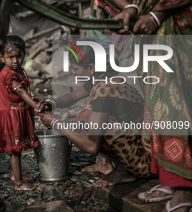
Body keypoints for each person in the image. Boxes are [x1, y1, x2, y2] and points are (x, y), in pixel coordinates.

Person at [88, 0, 192, 210]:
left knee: (178, 103)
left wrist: (156, 15)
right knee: (158, 106)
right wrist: (130, 8)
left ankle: (187, 186)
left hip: (175, 22)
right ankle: (171, 178)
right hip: (145, 32)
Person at [38, 45, 152, 188]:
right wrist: (52, 104)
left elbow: (92, 146)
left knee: (86, 119)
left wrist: (56, 123)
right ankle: (104, 164)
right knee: (94, 116)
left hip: (142, 161)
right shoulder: (101, 79)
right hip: (139, 147)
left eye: (75, 68)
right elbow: (73, 97)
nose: (72, 72)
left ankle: (125, 171)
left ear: (91, 68)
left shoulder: (103, 92)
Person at [0, 35, 43, 191]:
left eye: (18, 56)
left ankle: (15, 175)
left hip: (17, 112)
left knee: (17, 148)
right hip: (11, 116)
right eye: (10, 57)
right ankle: (19, 184)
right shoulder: (8, 75)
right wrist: (36, 105)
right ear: (2, 57)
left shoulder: (19, 70)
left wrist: (33, 100)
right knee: (15, 151)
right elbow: (20, 91)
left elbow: (24, 91)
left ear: (24, 55)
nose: (15, 60)